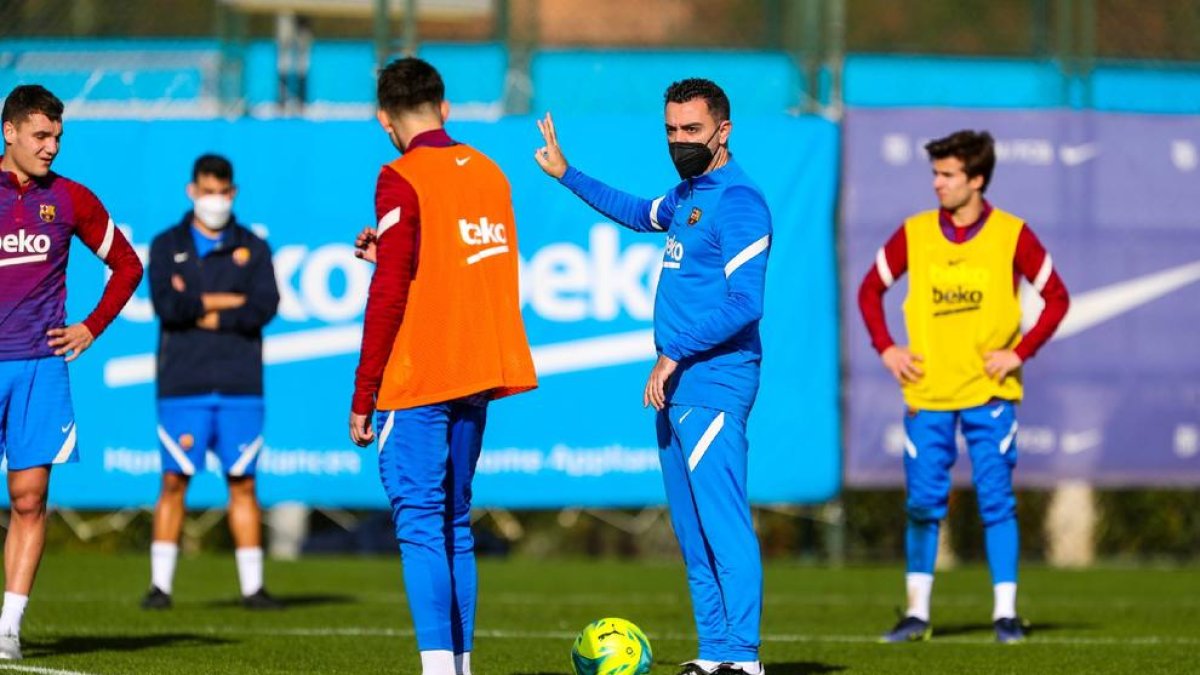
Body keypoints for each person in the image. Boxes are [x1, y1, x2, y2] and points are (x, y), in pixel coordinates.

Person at [535, 79, 771, 675]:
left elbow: (746, 302)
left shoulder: (739, 201)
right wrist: (568, 173)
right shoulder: (690, 193)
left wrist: (674, 352)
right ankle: (715, 652)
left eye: (692, 130)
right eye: (671, 130)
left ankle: (743, 657)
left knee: (723, 523)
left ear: (724, 130)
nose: (680, 141)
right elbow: (639, 214)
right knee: (692, 532)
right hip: (678, 382)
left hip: (714, 379)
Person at [348, 57, 537, 675]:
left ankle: (437, 670)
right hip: (477, 367)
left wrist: (364, 391)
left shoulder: (400, 176)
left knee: (421, 525)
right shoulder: (489, 172)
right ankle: (459, 666)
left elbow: (392, 294)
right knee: (454, 522)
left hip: (421, 373)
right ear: (445, 107)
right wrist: (391, 255)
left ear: (384, 120)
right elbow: (460, 267)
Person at [857, 130, 1070, 644]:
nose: (937, 184)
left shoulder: (1013, 235)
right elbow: (870, 290)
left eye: (947, 174)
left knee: (997, 501)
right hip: (927, 394)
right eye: (934, 173)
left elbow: (1057, 297)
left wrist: (1018, 353)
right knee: (922, 504)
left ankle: (1006, 614)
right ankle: (916, 614)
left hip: (990, 394)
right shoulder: (914, 233)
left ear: (976, 179)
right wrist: (887, 347)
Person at [0, 84, 143, 659]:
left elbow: (128, 267)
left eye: (57, 135)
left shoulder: (72, 199)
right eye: (40, 134)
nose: (51, 146)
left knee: (30, 499)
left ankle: (9, 626)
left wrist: (92, 326)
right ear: (8, 132)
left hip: (39, 369)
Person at [141, 154, 281, 611]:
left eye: (222, 192)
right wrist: (226, 303)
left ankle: (252, 588)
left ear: (233, 193)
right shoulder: (167, 244)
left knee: (243, 483)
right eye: (207, 191)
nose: (214, 200)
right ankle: (160, 586)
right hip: (184, 383)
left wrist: (200, 305)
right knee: (174, 480)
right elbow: (167, 306)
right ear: (191, 191)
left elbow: (262, 307)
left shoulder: (253, 247)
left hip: (241, 385)